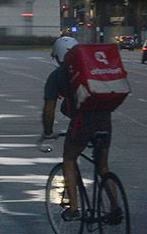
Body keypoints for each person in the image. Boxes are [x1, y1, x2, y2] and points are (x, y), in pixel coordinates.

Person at [38, 36, 119, 223]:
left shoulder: (57, 75)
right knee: (103, 166)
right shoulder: (90, 68)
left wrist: (48, 131)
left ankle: (74, 208)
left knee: (69, 158)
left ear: (58, 55)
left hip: (83, 121)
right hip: (105, 117)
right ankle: (116, 208)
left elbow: (49, 110)